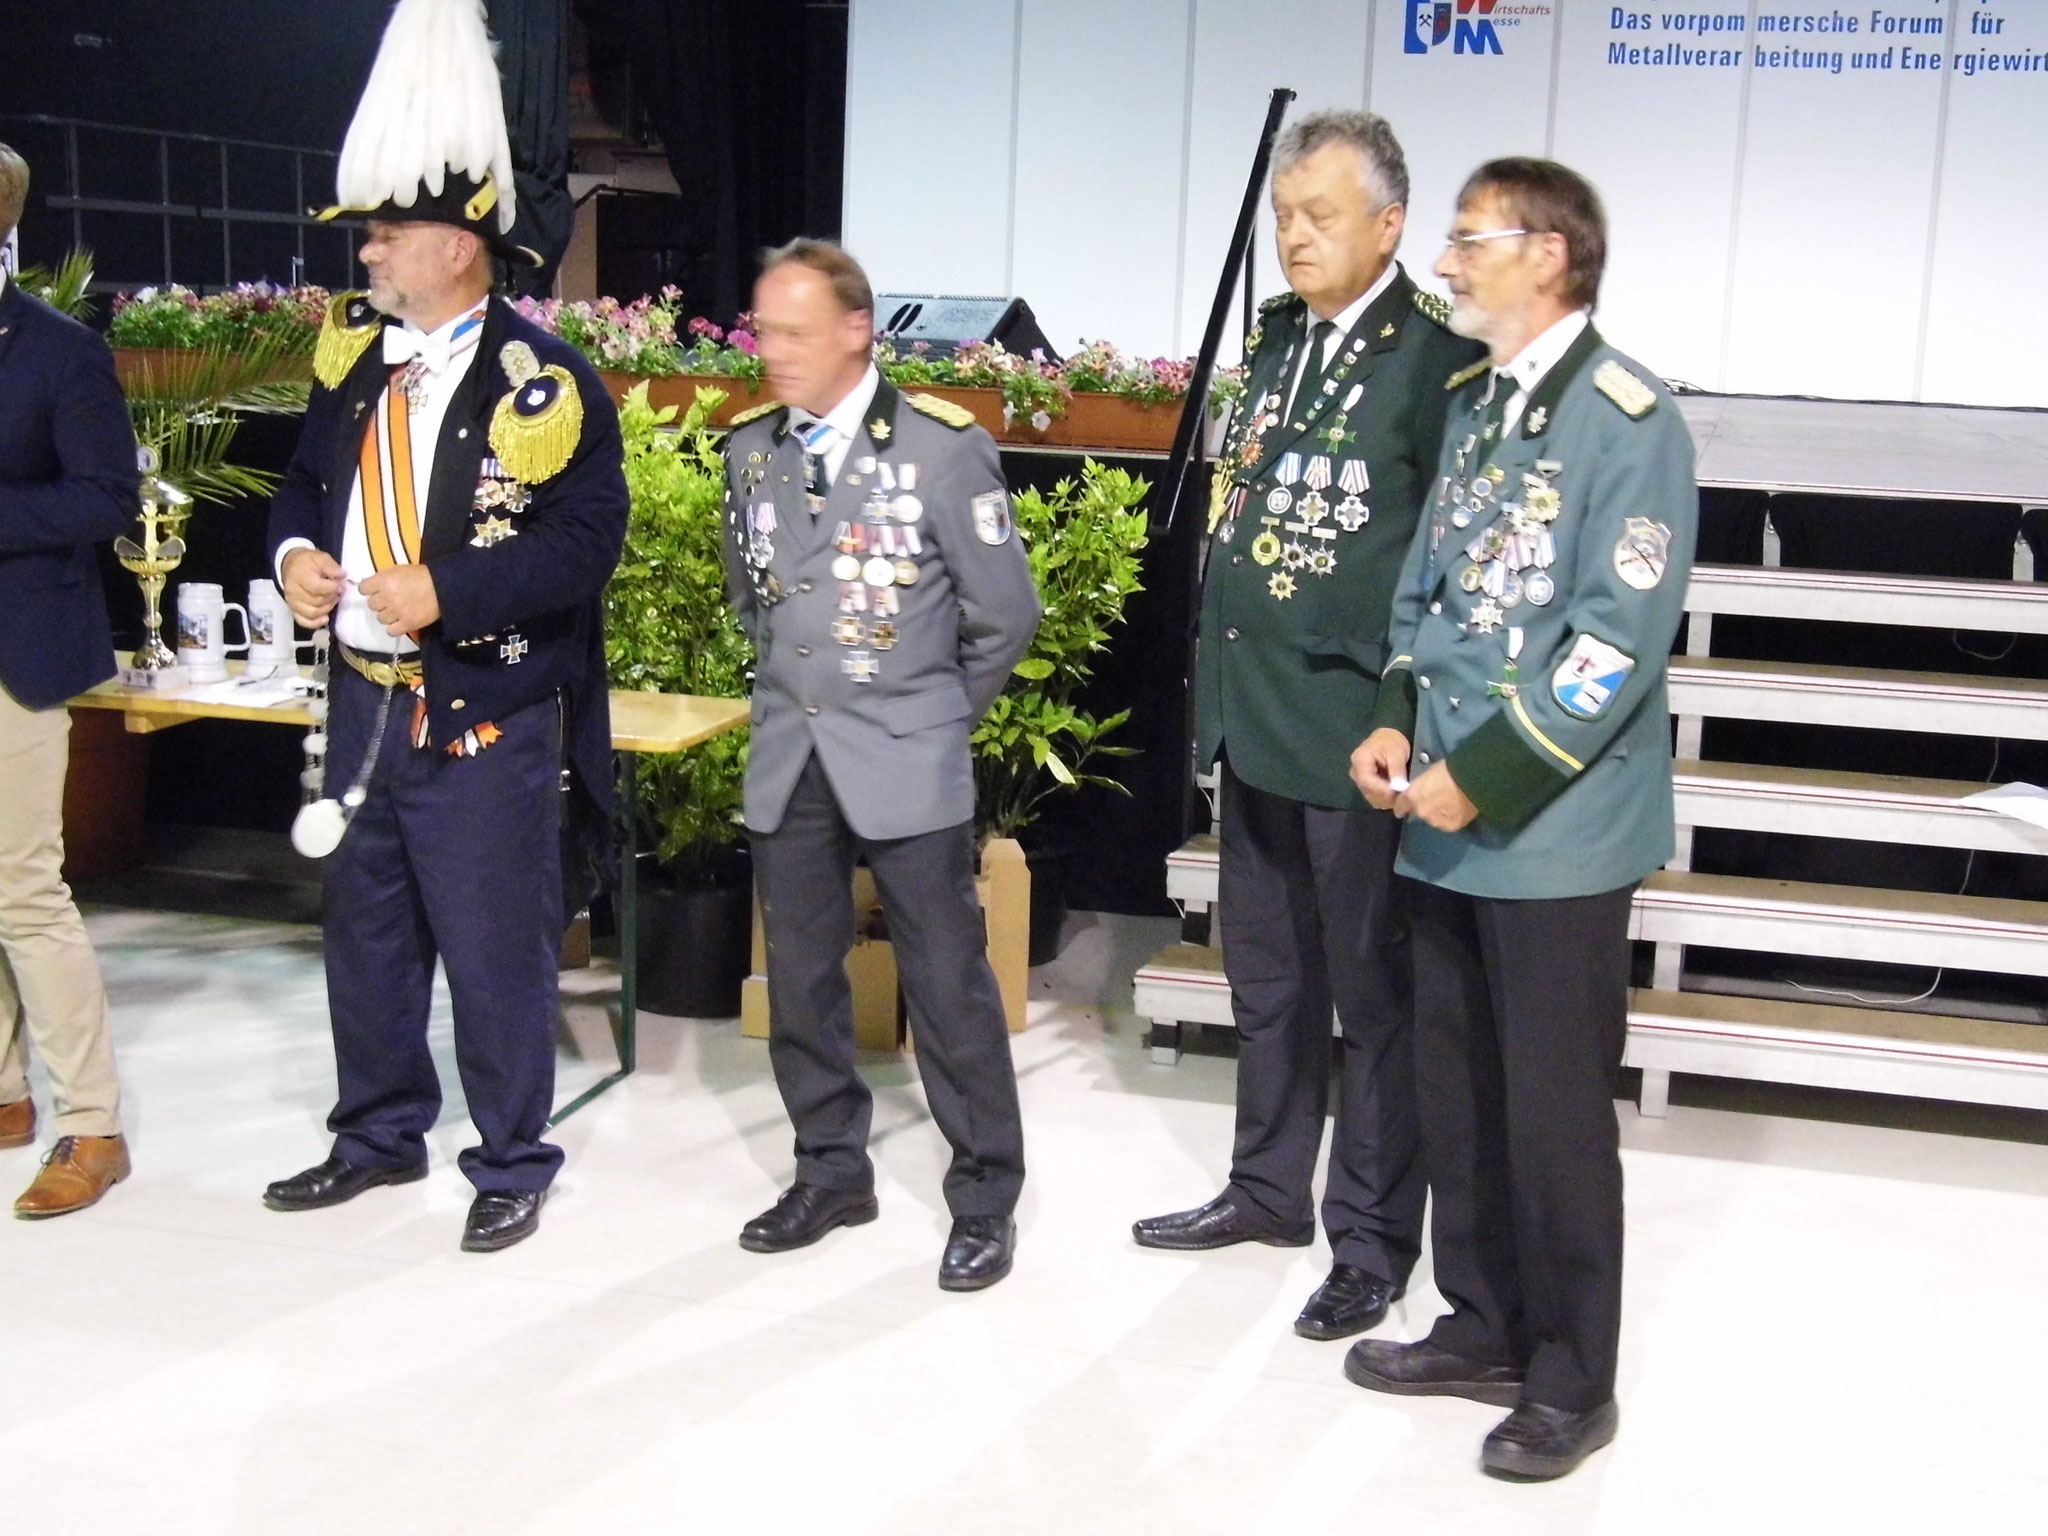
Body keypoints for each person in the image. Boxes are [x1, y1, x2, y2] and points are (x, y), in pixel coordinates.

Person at [1345, 158, 1696, 1480]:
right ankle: (1482, 1321)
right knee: (1460, 1091)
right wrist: (1390, 709)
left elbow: (1613, 648)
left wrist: (1481, 773)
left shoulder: (1630, 421)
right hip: (1437, 813)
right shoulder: (1477, 406)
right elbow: (1429, 597)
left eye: (1468, 240)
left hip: (1549, 834)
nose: (1446, 263)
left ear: (1548, 253)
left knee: (1552, 1117)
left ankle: (1569, 1374)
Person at [262, 0, 627, 1253]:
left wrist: (450, 594)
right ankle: (374, 1136)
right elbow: (304, 485)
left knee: (491, 948)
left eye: (388, 233)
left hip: (482, 706)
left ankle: (512, 1158)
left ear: (461, 247)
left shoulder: (549, 381)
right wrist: (300, 555)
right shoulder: (348, 360)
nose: (367, 252)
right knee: (363, 934)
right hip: (362, 692)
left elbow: (586, 547)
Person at [1132, 111, 1482, 1342]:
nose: (1294, 235)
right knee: (1267, 979)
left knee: (1372, 999)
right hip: (1257, 714)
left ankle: (1374, 1241)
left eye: (1320, 215)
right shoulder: (1275, 345)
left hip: (1352, 734)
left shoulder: (1433, 366)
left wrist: (1399, 709)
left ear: (1388, 226)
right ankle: (1268, 1188)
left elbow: (1440, 564)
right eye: (1285, 214)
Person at [722, 239, 1042, 1290]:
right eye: (763, 331)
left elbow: (1003, 615)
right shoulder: (749, 452)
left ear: (858, 331)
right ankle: (829, 1171)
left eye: (795, 333)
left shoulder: (944, 451)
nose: (773, 352)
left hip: (906, 756)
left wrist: (930, 717)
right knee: (803, 980)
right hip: (791, 753)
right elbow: (753, 602)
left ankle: (985, 1194)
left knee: (947, 983)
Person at [0, 141, 139, 1218]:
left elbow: (102, 500)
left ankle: (90, 1124)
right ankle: (5, 1097)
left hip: (21, 647)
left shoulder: (57, 351)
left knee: (22, 890)